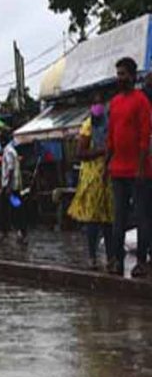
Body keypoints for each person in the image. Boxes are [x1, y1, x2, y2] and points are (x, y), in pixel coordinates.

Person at [107, 57, 152, 277]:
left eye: (123, 74)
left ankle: (142, 261)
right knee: (119, 217)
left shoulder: (141, 100)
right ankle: (116, 260)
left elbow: (145, 136)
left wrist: (142, 167)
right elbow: (111, 136)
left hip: (139, 170)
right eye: (118, 74)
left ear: (133, 76)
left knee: (142, 216)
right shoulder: (114, 103)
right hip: (118, 169)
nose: (120, 78)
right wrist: (107, 161)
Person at [67, 96, 114, 270]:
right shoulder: (88, 126)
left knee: (109, 220)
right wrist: (101, 151)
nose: (98, 107)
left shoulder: (110, 124)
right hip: (92, 177)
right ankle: (93, 257)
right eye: (95, 104)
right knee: (93, 220)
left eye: (101, 103)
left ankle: (111, 257)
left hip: (108, 176)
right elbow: (80, 152)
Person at [0, 133, 28, 244]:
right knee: (14, 209)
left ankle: (19, 231)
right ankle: (14, 231)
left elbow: (10, 169)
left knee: (14, 210)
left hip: (10, 187)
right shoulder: (12, 150)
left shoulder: (8, 151)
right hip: (14, 186)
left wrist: (8, 187)